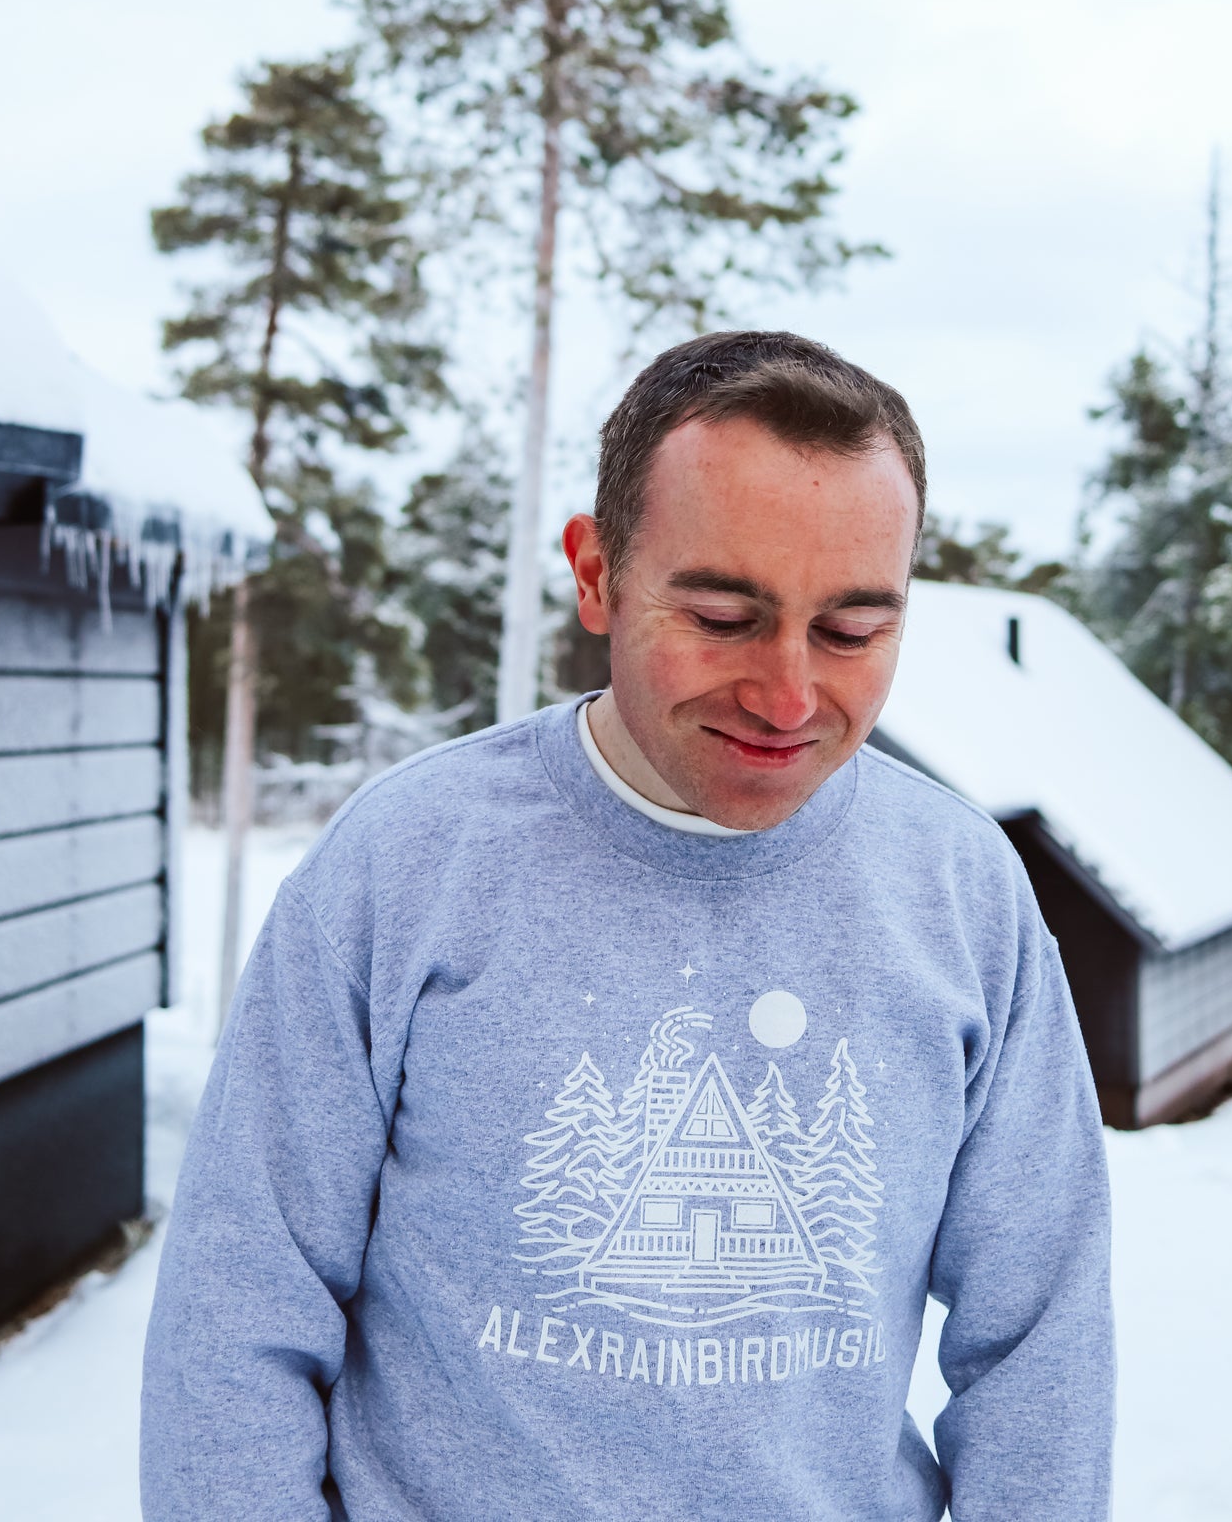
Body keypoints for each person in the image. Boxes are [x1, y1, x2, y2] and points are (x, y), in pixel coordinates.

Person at [141, 330, 1114, 1520]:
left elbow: (1039, 1345)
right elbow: (235, 1315)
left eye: (853, 629)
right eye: (719, 613)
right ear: (595, 572)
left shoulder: (964, 896)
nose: (790, 693)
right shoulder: (404, 865)